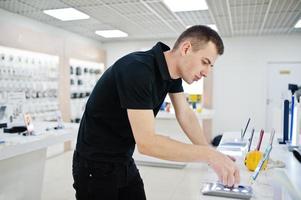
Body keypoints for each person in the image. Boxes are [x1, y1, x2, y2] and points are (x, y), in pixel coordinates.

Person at [72, 25, 240, 200]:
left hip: (123, 160)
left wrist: (210, 152)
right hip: (93, 165)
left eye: (211, 66)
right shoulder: (137, 69)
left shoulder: (172, 73)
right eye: (205, 62)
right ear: (186, 49)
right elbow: (147, 143)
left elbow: (184, 113)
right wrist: (209, 155)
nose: (206, 72)